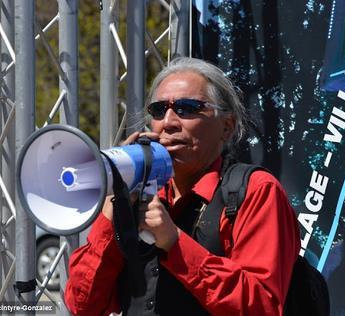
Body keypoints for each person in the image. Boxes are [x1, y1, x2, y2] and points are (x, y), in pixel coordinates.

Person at [64, 57, 300, 315]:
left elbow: (261, 307)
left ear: (227, 126)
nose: (169, 122)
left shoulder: (255, 191)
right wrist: (115, 205)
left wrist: (175, 243)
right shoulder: (137, 195)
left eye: (187, 108)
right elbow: (82, 305)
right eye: (158, 109)